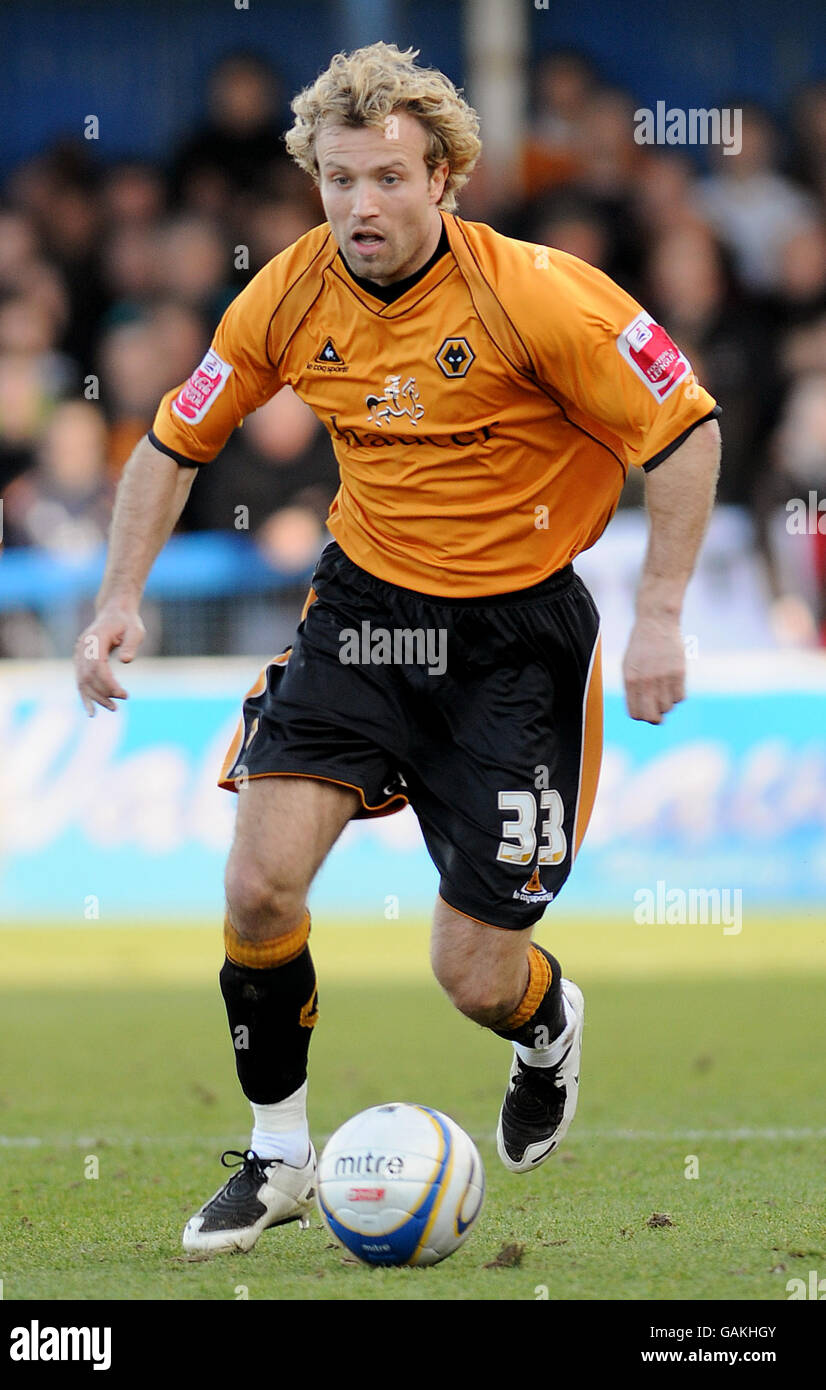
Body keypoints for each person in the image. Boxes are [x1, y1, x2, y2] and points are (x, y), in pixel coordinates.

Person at [74, 42, 721, 1257]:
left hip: (517, 640)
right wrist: (117, 598)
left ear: (445, 179)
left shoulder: (540, 295)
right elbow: (173, 442)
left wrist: (662, 611)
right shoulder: (284, 293)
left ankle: (545, 1029)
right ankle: (275, 1157)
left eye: (385, 179)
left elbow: (682, 428)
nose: (359, 206)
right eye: (336, 180)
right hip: (365, 613)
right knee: (260, 880)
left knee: (472, 971)